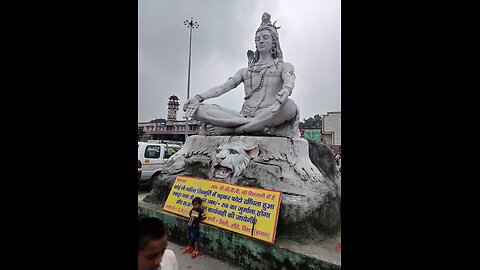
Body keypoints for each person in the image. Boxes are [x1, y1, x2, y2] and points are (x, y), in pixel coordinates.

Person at [183, 12, 300, 137]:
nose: (260, 41)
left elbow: (289, 79)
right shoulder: (245, 71)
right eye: (258, 39)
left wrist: (286, 90)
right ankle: (255, 128)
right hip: (243, 115)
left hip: (270, 112)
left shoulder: (283, 66)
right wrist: (198, 98)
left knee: (290, 105)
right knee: (196, 109)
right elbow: (223, 88)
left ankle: (232, 130)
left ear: (274, 42)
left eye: (265, 37)